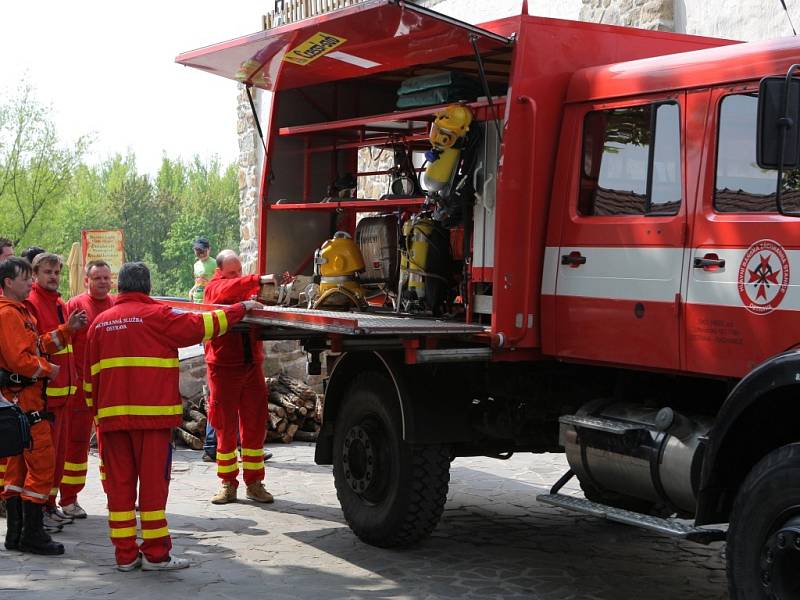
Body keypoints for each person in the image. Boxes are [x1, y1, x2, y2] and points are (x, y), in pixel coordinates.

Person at [86, 261, 264, 571]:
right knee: (153, 489)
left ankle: (125, 556)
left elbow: (90, 380)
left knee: (119, 489)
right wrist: (242, 308)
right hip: (153, 422)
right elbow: (204, 326)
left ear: (119, 287)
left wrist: (97, 417)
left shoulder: (99, 324)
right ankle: (156, 555)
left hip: (112, 423)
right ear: (148, 288)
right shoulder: (158, 316)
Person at [0, 256, 87, 555]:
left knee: (17, 472)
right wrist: (49, 370)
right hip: (25, 404)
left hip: (20, 405)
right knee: (41, 467)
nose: (29, 283)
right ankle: (32, 535)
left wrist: (66, 331)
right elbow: (20, 361)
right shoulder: (9, 315)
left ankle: (16, 534)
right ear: (9, 282)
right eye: (25, 278)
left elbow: (36, 344)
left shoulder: (18, 312)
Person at [204, 250, 273, 505]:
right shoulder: (214, 287)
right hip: (223, 367)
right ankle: (227, 483)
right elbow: (224, 292)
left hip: (251, 365)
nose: (237, 276)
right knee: (225, 427)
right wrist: (256, 279)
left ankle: (254, 482)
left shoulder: (244, 288)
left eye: (239, 271)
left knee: (254, 425)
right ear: (219, 272)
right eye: (232, 273)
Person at [25, 253, 79, 529]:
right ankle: (40, 509)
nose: (54, 276)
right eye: (48, 272)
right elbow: (35, 346)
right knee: (43, 459)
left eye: (57, 272)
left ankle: (51, 503)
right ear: (34, 275)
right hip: (45, 396)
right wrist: (67, 330)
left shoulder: (59, 303)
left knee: (58, 457)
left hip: (64, 393)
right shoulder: (31, 303)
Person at [59, 260, 114, 519]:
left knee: (112, 446)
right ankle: (68, 499)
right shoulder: (75, 305)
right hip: (80, 388)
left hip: (108, 389)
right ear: (87, 281)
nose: (103, 282)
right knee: (76, 445)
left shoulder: (116, 305)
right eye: (98, 278)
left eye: (106, 278)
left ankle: (117, 496)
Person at [189, 236, 219, 461]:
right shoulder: (197, 265)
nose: (199, 254)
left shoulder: (213, 264)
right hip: (198, 308)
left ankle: (213, 446)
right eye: (197, 251)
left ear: (208, 250)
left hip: (209, 311)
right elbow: (198, 283)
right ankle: (212, 446)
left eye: (202, 251)